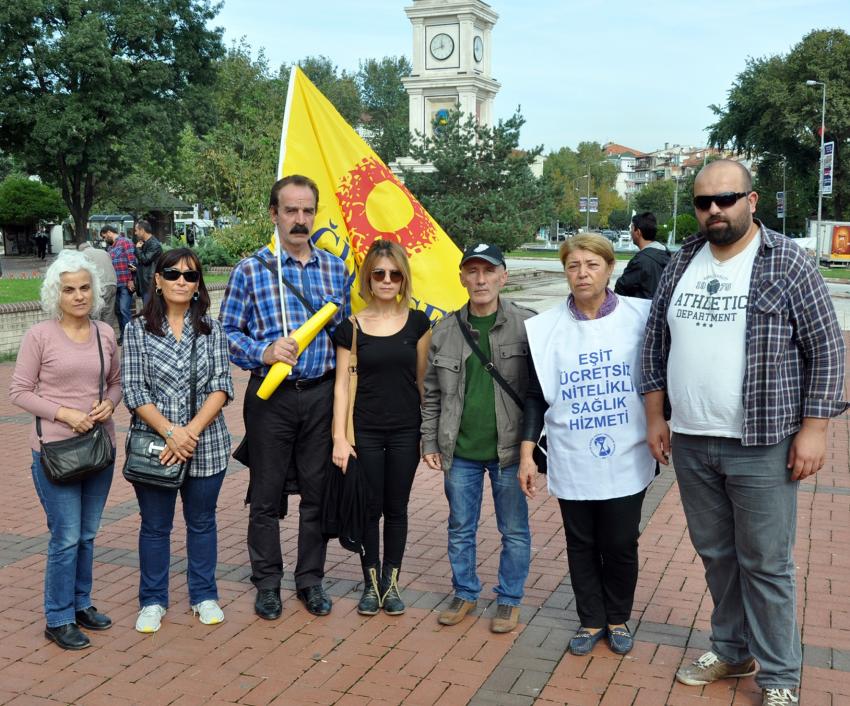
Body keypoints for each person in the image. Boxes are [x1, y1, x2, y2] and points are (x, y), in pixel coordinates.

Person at [641, 159, 847, 706]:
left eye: (725, 199)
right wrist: (655, 415)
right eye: (703, 202)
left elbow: (827, 349)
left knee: (766, 562)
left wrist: (816, 429)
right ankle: (733, 652)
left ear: (751, 201)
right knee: (716, 554)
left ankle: (780, 677)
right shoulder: (682, 259)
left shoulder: (787, 262)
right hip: (691, 438)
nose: (714, 210)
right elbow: (654, 344)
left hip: (762, 442)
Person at [220, 174, 349, 620]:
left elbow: (347, 337)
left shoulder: (335, 268)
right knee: (266, 494)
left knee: (317, 492)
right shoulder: (252, 270)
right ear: (273, 214)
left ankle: (310, 580)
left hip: (320, 395)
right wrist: (264, 350)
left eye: (307, 210)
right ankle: (268, 582)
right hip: (270, 396)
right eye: (290, 210)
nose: (300, 219)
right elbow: (227, 334)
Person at [519, 234, 655, 657]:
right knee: (579, 542)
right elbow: (534, 394)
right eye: (574, 265)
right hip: (571, 453)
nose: (582, 273)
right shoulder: (545, 329)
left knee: (619, 541)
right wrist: (526, 450)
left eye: (592, 264)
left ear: (610, 268)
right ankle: (590, 618)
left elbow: (659, 378)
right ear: (565, 272)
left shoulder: (642, 317)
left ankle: (618, 617)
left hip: (627, 451)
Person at [9, 250, 120, 650]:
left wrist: (111, 402)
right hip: (54, 451)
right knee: (66, 535)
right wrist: (64, 413)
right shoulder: (40, 335)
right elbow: (18, 391)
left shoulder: (105, 334)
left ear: (94, 291)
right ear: (57, 294)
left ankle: (81, 604)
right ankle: (57, 618)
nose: (78, 296)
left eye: (85, 288)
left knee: (88, 534)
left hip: (97, 447)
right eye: (69, 289)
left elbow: (115, 382)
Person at [421, 243, 534, 634]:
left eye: (488, 271)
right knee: (460, 527)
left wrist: (532, 449)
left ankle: (509, 598)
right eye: (472, 271)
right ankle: (465, 591)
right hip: (461, 450)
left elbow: (539, 393)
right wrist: (429, 442)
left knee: (514, 530)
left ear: (503, 276)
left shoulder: (527, 325)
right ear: (462, 278)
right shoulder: (445, 331)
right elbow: (431, 392)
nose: (480, 279)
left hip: (508, 451)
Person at [121, 247, 234, 633]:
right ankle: (152, 600)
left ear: (198, 283)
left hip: (206, 443)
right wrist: (172, 432)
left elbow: (222, 386)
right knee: (155, 526)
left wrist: (190, 433)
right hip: (156, 445)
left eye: (190, 275)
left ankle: (204, 594)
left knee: (202, 522)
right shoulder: (137, 329)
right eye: (173, 274)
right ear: (157, 279)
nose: (181, 281)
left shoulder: (212, 329)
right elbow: (134, 391)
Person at [331, 240, 431, 616]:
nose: (386, 280)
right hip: (365, 431)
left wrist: (430, 434)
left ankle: (392, 584)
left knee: (397, 507)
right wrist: (339, 437)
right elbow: (341, 385)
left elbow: (423, 383)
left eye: (394, 273)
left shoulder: (419, 324)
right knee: (369, 508)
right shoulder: (351, 327)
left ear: (403, 278)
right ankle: (371, 585)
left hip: (406, 429)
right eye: (379, 273)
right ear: (368, 278)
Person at [613, 212, 670, 299]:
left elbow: (621, 288)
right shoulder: (667, 253)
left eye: (631, 229)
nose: (630, 232)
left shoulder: (640, 261)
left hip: (640, 309)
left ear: (638, 232)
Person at [102, 225, 136, 342]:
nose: (104, 239)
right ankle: (123, 336)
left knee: (124, 310)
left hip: (126, 283)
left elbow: (132, 261)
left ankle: (130, 337)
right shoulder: (111, 248)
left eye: (104, 236)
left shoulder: (125, 242)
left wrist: (132, 279)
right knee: (118, 312)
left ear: (109, 232)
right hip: (116, 284)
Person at [78, 240, 118, 332]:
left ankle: (97, 337)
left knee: (96, 312)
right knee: (108, 313)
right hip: (112, 284)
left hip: (100, 286)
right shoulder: (104, 252)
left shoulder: (83, 255)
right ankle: (108, 335)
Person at [134, 219, 163, 304]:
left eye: (136, 231)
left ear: (142, 231)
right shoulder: (144, 243)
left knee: (150, 311)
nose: (135, 233)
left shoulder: (154, 244)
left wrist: (138, 249)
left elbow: (145, 260)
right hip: (145, 284)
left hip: (150, 284)